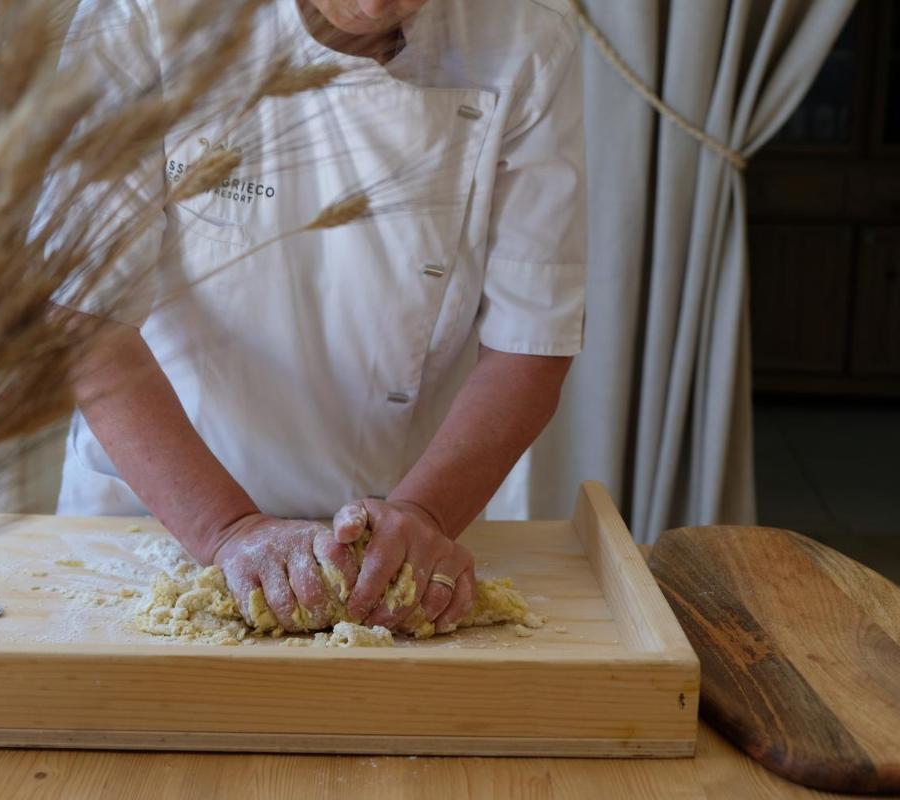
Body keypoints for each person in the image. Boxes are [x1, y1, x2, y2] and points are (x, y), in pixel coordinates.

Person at [54, 0, 586, 636]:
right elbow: (86, 323)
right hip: (155, 523)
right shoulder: (141, 14)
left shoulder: (528, 35)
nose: (376, 5)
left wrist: (424, 516)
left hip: (396, 541)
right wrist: (227, 529)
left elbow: (529, 342)